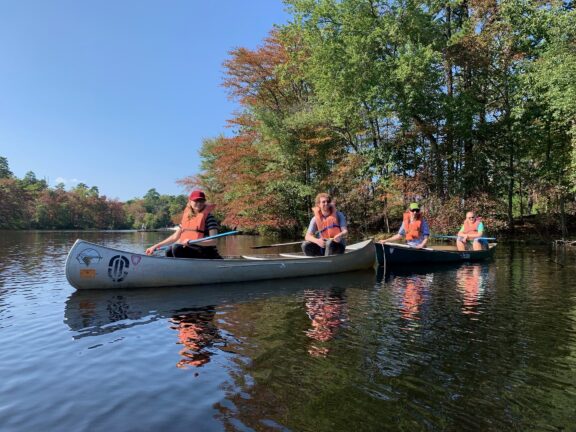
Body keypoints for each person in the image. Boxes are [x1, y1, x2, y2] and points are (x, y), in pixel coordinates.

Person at [145, 190, 222, 259]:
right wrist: (156, 246)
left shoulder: (209, 218)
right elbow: (174, 237)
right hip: (192, 250)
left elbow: (214, 241)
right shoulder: (187, 218)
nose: (199, 203)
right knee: (169, 250)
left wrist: (194, 241)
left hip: (206, 252)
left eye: (201, 201)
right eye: (196, 201)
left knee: (176, 248)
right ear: (190, 201)